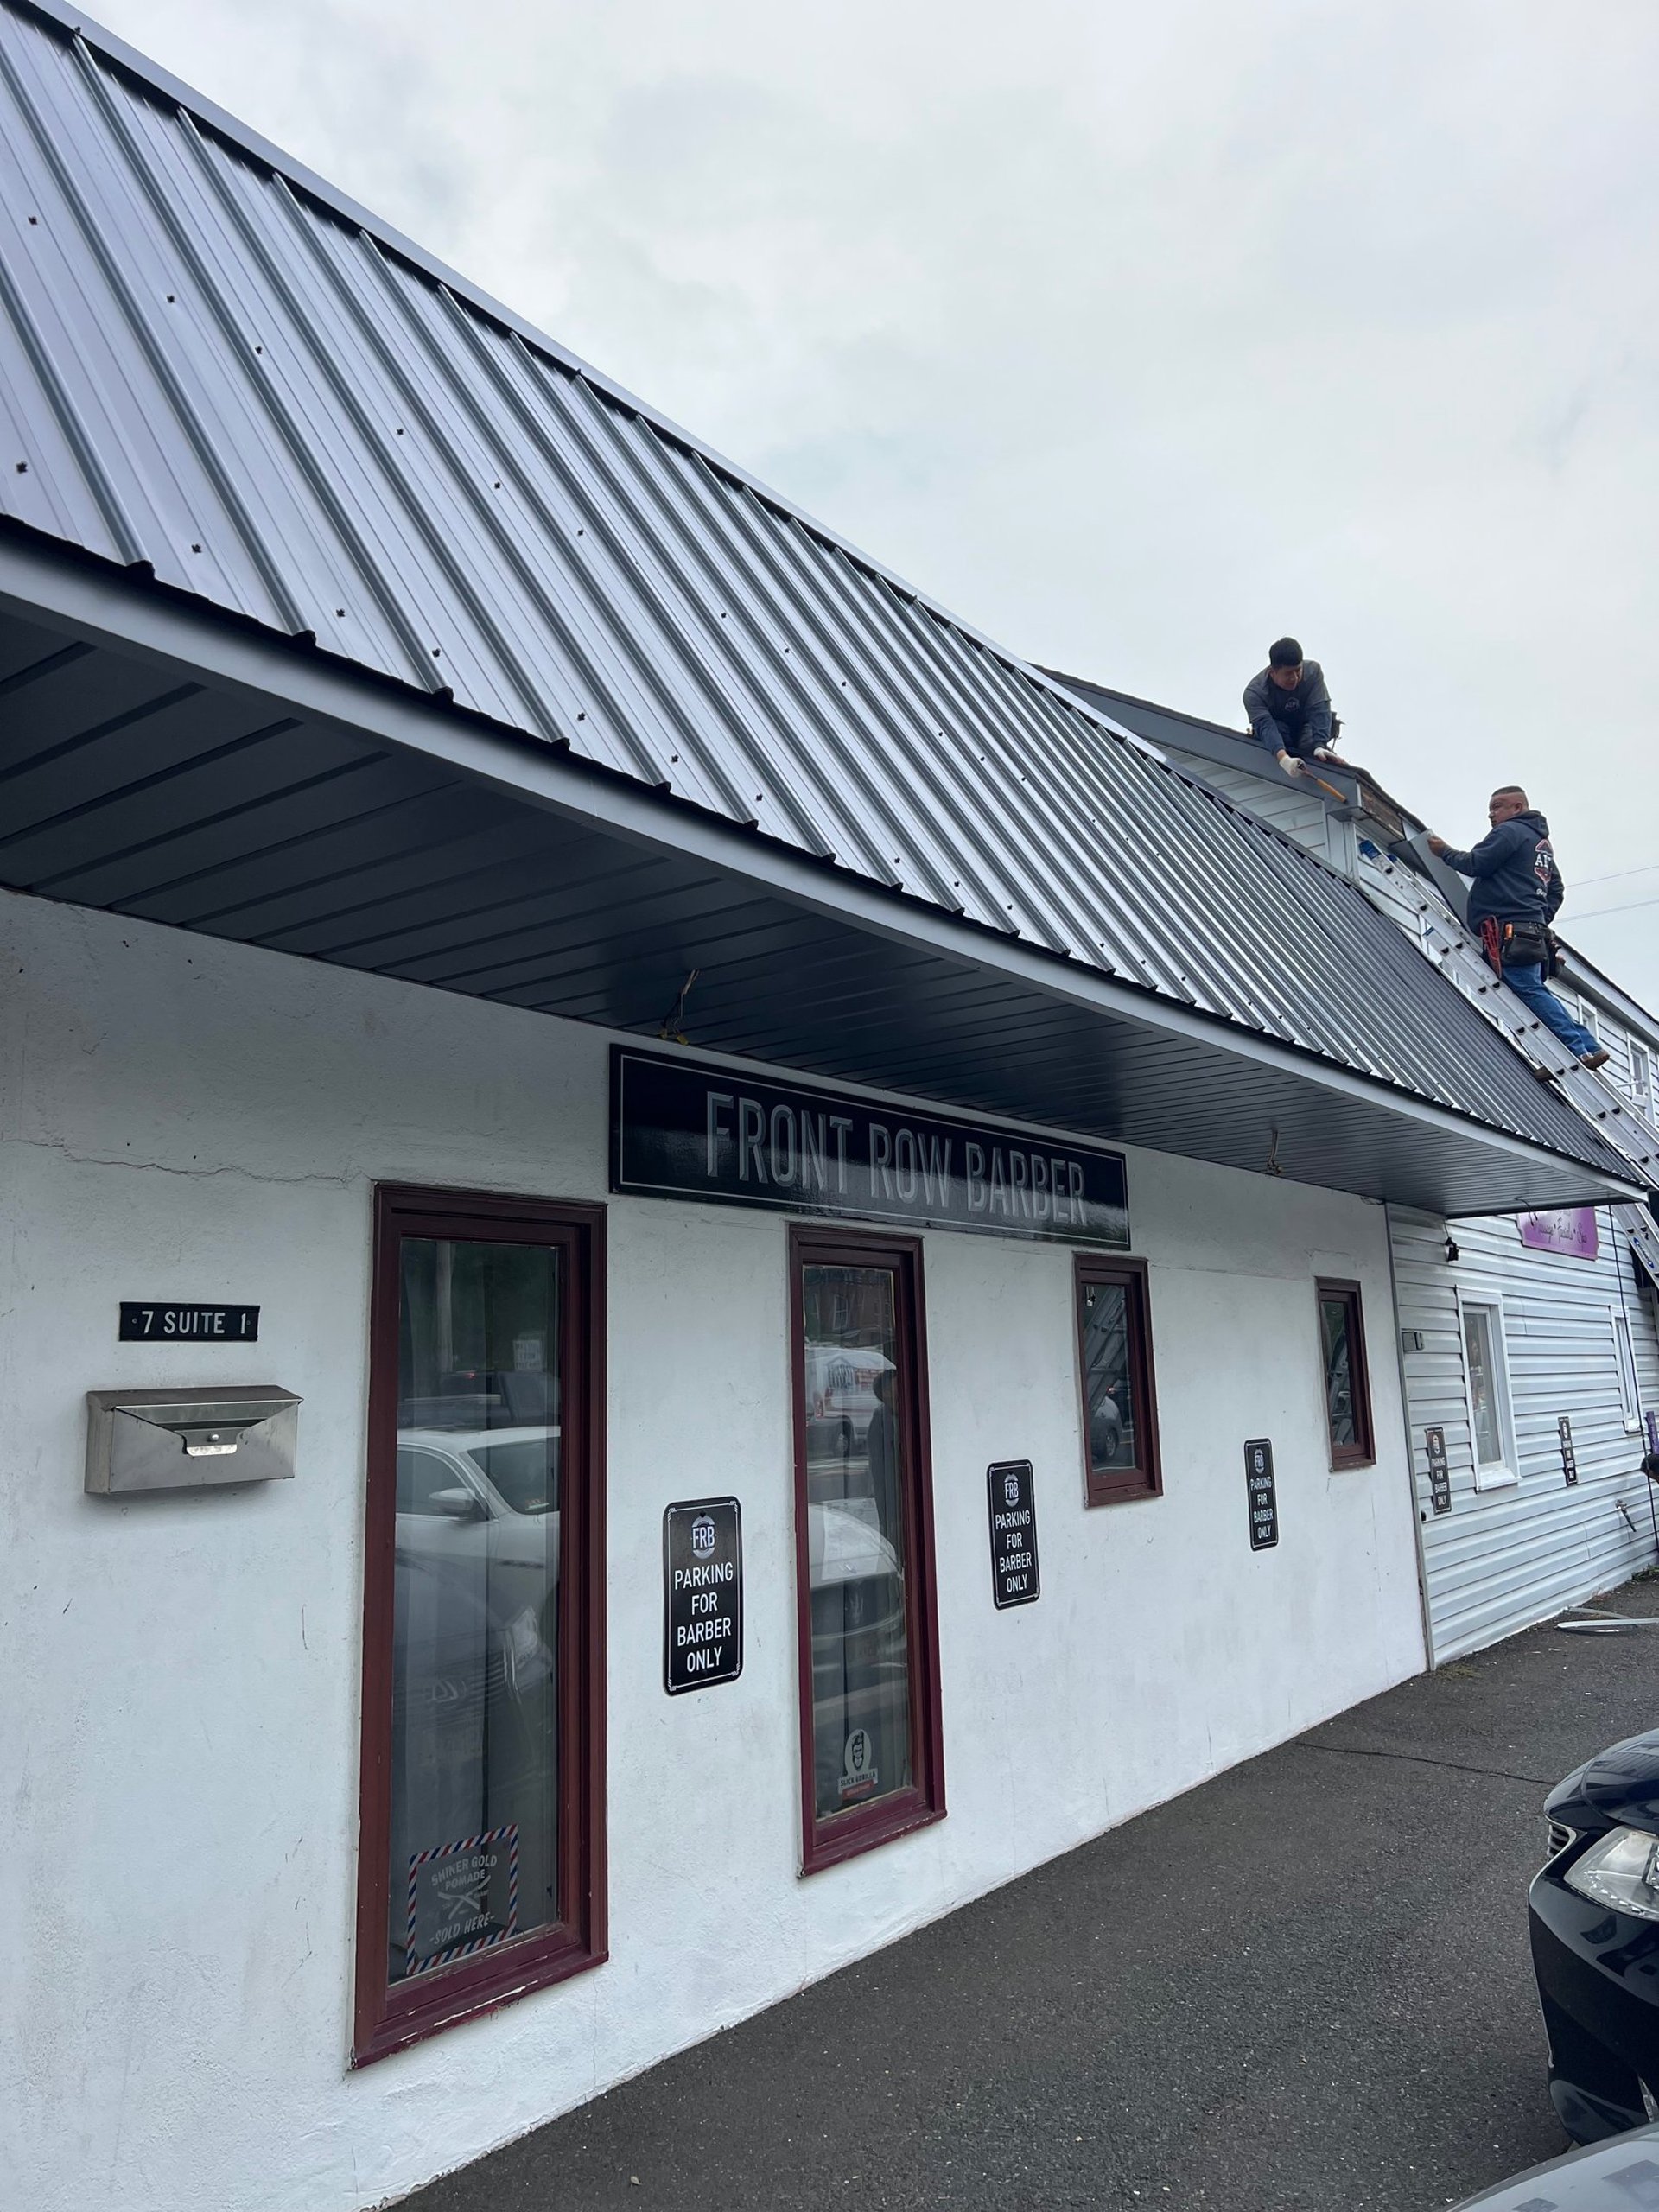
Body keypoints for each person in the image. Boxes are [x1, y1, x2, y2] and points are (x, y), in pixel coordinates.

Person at [1427, 787, 1610, 1069]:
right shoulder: (1540, 844)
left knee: (1527, 990)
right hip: (1530, 931)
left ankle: (1577, 1049)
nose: (1491, 814)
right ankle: (1579, 1049)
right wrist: (1538, 916)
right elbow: (1556, 889)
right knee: (1530, 991)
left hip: (1509, 931)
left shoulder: (1510, 831)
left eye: (1497, 807)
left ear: (1517, 808)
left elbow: (1477, 864)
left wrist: (1444, 852)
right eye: (1490, 809)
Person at [1243, 638, 1344, 777]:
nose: (1295, 678)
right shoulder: (1255, 693)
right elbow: (1266, 727)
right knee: (1280, 734)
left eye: (1298, 671)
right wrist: (1284, 759)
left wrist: (1320, 745)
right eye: (1288, 674)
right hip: (1279, 733)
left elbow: (1319, 708)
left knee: (1311, 746)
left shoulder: (1313, 673)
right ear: (1273, 673)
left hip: (1306, 728)